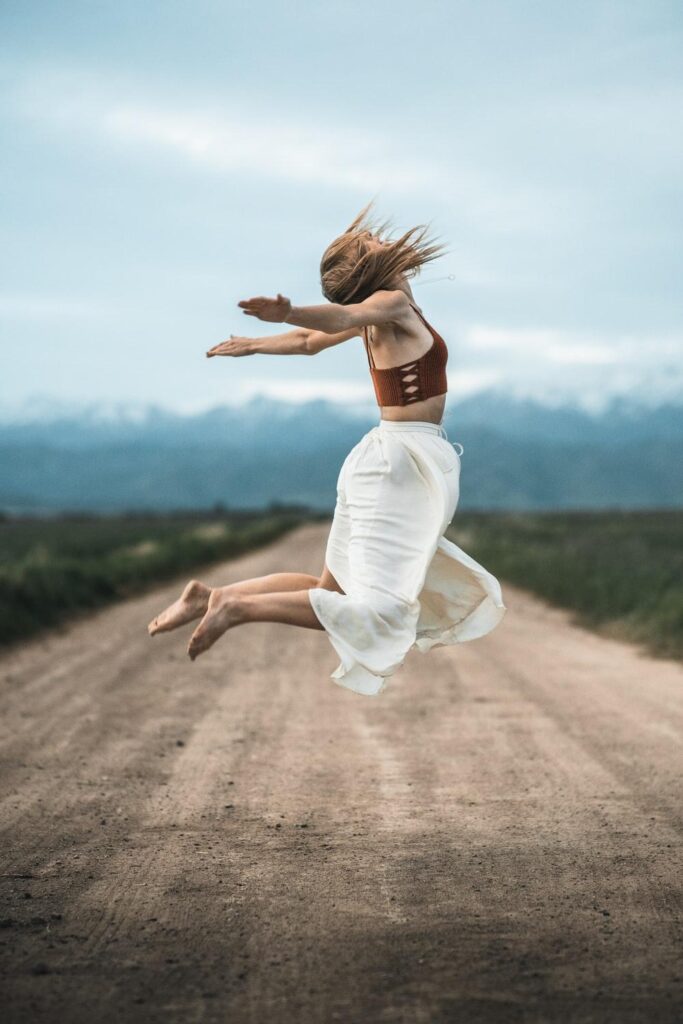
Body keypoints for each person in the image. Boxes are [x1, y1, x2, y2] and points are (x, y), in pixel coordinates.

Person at [148, 200, 506, 696]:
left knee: (328, 592)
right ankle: (236, 608)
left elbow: (306, 342)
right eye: (370, 245)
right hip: (399, 464)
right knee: (377, 609)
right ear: (369, 269)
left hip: (388, 458)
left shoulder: (389, 311)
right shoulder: (389, 307)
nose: (381, 240)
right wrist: (289, 310)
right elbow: (338, 317)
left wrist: (253, 343)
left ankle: (211, 595)